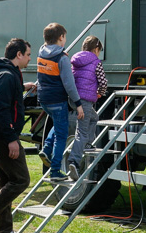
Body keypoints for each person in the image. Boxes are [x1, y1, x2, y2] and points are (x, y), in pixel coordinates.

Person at [0, 38, 35, 233]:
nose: (29, 59)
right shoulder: (7, 76)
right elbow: (1, 110)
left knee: (5, 182)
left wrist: (21, 87)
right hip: (4, 138)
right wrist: (11, 139)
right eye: (27, 55)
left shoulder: (5, 73)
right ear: (18, 54)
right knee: (21, 179)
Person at [36, 23, 82, 181]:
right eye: (64, 37)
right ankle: (55, 170)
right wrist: (78, 103)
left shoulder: (41, 53)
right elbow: (69, 84)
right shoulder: (62, 58)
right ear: (61, 37)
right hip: (57, 100)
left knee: (58, 124)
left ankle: (46, 149)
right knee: (61, 135)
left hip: (43, 99)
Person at [66, 36, 107, 177]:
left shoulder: (76, 60)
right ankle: (74, 162)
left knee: (94, 118)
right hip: (85, 101)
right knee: (81, 133)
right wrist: (100, 93)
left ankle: (89, 143)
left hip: (74, 99)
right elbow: (103, 82)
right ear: (96, 49)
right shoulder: (96, 62)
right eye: (99, 51)